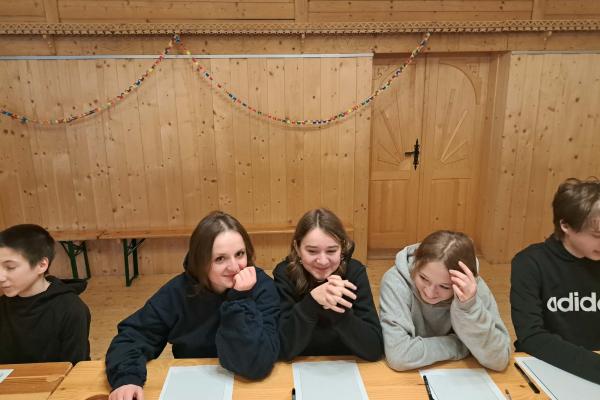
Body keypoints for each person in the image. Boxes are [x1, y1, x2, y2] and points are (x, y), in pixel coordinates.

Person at [105, 211, 280, 400]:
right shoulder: (179, 291)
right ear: (201, 261)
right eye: (220, 259)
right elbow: (133, 336)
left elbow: (256, 364)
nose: (235, 267)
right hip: (194, 385)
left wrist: (240, 299)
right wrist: (127, 378)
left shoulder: (262, 287)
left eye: (240, 254)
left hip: (249, 387)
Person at [380, 230, 510, 371]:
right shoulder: (396, 281)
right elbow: (399, 355)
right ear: (415, 264)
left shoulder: (472, 288)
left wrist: (469, 308)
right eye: (423, 278)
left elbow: (499, 360)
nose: (430, 293)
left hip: (460, 374)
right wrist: (461, 346)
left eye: (444, 286)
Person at [511, 177, 600, 384]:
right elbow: (531, 337)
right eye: (597, 235)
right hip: (545, 366)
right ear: (565, 225)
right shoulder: (530, 263)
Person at [273, 208, 383, 361]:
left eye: (331, 251)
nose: (323, 261)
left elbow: (374, 349)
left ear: (342, 248)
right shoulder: (285, 274)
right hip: (300, 365)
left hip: (346, 365)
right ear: (297, 248)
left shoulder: (354, 272)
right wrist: (311, 302)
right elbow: (282, 349)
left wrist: (338, 309)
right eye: (312, 251)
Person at [0, 224, 90, 364]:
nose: (1, 277)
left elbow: (75, 366)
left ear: (41, 265)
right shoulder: (3, 306)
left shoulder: (71, 309)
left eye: (10, 267)